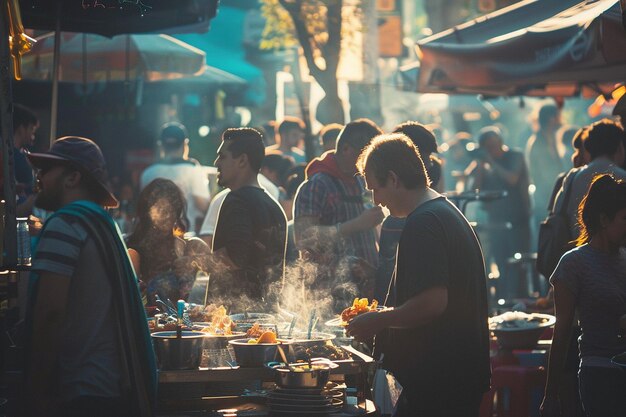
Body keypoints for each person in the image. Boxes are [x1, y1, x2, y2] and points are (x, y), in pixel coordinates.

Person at [347, 133, 490, 417]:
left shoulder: (424, 222)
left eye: (375, 189)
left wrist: (377, 321)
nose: (376, 201)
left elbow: (432, 304)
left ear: (393, 179)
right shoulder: (441, 212)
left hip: (441, 381)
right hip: (456, 375)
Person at [24, 136, 156, 417]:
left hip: (80, 391)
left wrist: (36, 389)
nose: (40, 177)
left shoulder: (65, 224)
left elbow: (49, 312)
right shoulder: (102, 223)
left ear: (72, 177)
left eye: (47, 170)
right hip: (111, 386)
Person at [541, 174, 626, 417]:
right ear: (603, 220)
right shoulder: (574, 264)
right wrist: (550, 394)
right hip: (599, 375)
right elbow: (563, 332)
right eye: (624, 219)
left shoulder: (624, 258)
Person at [293, 118, 384, 305]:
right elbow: (304, 237)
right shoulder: (316, 185)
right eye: (364, 156)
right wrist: (355, 225)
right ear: (346, 149)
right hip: (328, 294)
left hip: (366, 288)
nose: (368, 164)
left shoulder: (361, 181)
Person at [209, 128, 287, 307]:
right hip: (268, 315)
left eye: (222, 156)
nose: (216, 163)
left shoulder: (236, 200)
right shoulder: (274, 206)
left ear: (242, 160)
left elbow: (233, 260)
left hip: (233, 319)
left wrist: (195, 254)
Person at [469, 126, 531, 299]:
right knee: (501, 263)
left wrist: (491, 162)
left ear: (500, 142)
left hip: (518, 219)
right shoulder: (485, 163)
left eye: (493, 145)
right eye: (487, 147)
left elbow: (512, 178)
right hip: (495, 221)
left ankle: (522, 298)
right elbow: (475, 191)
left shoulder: (515, 156)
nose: (491, 150)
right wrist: (481, 166)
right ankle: (504, 299)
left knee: (519, 264)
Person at [127, 178, 210, 305]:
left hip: (188, 323)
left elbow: (220, 275)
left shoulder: (191, 247)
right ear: (147, 212)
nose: (168, 216)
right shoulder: (133, 250)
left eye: (172, 209)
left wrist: (194, 261)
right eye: (161, 209)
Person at [553, 119, 626, 238]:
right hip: (615, 253)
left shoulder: (573, 176)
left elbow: (558, 213)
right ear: (619, 147)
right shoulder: (623, 177)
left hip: (575, 248)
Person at [140, 122, 210, 234]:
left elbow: (142, 209)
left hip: (153, 237)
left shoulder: (148, 173)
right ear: (184, 145)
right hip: (185, 237)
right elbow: (203, 206)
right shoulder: (193, 170)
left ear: (161, 145)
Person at [526, 103, 565, 226]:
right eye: (558, 116)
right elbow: (546, 174)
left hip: (550, 195)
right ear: (551, 118)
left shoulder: (549, 138)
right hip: (546, 197)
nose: (561, 119)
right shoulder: (539, 142)